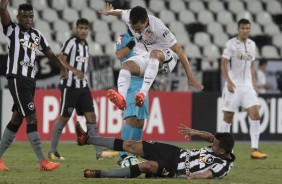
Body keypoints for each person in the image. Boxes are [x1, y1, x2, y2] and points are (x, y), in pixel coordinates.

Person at [0, 1, 68, 171]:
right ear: (18, 17)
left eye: (30, 16)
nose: (28, 19)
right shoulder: (12, 30)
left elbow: (50, 54)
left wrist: (62, 67)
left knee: (17, 119)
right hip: (17, 78)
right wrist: (3, 4)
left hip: (30, 81)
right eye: (24, 16)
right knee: (32, 118)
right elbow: (2, 10)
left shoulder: (37, 35)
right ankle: (43, 162)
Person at [99, 4, 203, 110]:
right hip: (145, 55)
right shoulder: (130, 16)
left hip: (166, 58)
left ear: (146, 21)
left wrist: (190, 76)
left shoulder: (158, 27)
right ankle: (122, 99)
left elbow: (179, 51)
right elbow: (121, 12)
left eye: (138, 28)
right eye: (133, 28)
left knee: (155, 53)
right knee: (126, 65)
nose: (136, 31)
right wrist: (110, 12)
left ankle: (142, 94)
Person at [48, 18, 118, 160]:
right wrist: (73, 70)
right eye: (81, 28)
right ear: (76, 29)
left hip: (83, 86)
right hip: (70, 86)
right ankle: (52, 151)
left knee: (91, 117)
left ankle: (99, 153)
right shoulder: (71, 43)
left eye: (86, 28)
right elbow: (60, 58)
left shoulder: (85, 45)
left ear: (89, 30)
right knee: (64, 118)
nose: (83, 31)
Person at [75, 122, 235, 179]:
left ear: (222, 152)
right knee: (131, 145)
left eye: (215, 145)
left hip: (175, 169)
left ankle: (100, 174)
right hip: (176, 153)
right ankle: (86, 139)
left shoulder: (223, 165)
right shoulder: (220, 145)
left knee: (147, 165)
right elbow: (210, 137)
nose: (212, 144)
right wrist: (195, 132)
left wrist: (194, 176)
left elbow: (208, 175)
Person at [218, 18, 267, 159]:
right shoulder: (231, 44)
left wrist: (254, 84)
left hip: (247, 86)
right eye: (243, 28)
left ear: (250, 30)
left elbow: (251, 65)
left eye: (247, 28)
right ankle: (222, 148)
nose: (245, 31)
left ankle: (255, 149)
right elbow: (223, 64)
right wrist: (227, 81)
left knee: (256, 114)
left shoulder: (252, 45)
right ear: (238, 30)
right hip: (234, 85)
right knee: (228, 117)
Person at [115, 29, 148, 165]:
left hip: (143, 84)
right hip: (130, 83)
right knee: (131, 119)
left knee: (140, 122)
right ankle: (122, 155)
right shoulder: (123, 37)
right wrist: (132, 42)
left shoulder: (147, 37)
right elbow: (119, 54)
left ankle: (135, 153)